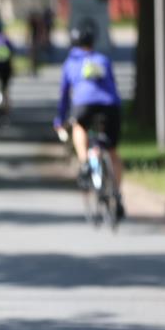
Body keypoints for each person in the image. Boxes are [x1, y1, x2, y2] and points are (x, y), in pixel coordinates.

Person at [53, 26, 125, 219]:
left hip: (84, 105)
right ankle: (117, 194)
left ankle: (85, 162)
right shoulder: (103, 59)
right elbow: (112, 84)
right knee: (112, 150)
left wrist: (60, 118)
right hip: (110, 106)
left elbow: (64, 96)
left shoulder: (71, 62)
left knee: (79, 126)